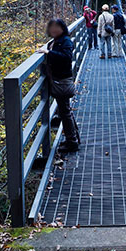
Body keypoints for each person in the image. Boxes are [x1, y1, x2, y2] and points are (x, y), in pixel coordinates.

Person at [42, 18, 80, 152]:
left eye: (56, 27)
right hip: (58, 79)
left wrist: (49, 53)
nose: (53, 30)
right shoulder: (56, 41)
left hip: (62, 80)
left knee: (64, 111)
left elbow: (66, 57)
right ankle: (74, 138)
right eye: (51, 27)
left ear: (62, 28)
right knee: (65, 110)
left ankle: (72, 142)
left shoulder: (66, 41)